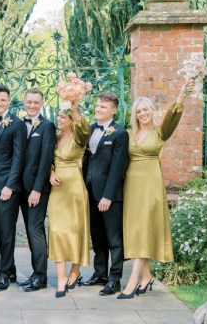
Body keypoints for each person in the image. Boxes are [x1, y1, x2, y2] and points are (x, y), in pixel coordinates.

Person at [119, 81, 193, 298]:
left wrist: (181, 95)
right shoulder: (128, 134)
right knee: (136, 229)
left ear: (152, 111)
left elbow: (173, 117)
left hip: (151, 185)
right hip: (132, 186)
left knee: (144, 228)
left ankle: (132, 281)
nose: (142, 114)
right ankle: (146, 276)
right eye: (138, 111)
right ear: (135, 115)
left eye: (146, 110)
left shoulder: (161, 133)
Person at [80, 91, 128, 296]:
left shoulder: (119, 133)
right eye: (98, 105)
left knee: (114, 238)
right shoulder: (90, 129)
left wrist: (107, 196)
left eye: (104, 106)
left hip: (110, 195)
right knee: (97, 235)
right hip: (89, 190)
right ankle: (100, 273)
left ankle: (115, 279)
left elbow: (118, 168)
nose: (98, 109)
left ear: (114, 110)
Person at [0, 84, 27, 291]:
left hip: (6, 187)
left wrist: (10, 185)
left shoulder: (16, 124)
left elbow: (19, 157)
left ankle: (4, 273)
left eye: (3, 100)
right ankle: (9, 268)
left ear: (9, 101)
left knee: (7, 231)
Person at [48, 105, 91, 298]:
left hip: (74, 187)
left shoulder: (79, 137)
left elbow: (84, 128)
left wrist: (74, 105)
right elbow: (47, 158)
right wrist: (50, 172)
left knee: (76, 230)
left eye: (62, 117)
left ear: (72, 120)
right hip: (57, 189)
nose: (59, 120)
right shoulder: (56, 137)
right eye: (58, 116)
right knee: (57, 231)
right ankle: (61, 277)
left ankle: (75, 270)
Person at [17, 88, 57, 292]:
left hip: (36, 189)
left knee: (35, 229)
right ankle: (35, 273)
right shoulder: (18, 124)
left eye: (36, 102)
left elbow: (45, 160)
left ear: (41, 103)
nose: (32, 105)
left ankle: (40, 276)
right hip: (20, 188)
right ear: (24, 102)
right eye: (29, 102)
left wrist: (37, 189)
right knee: (31, 230)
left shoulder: (47, 126)